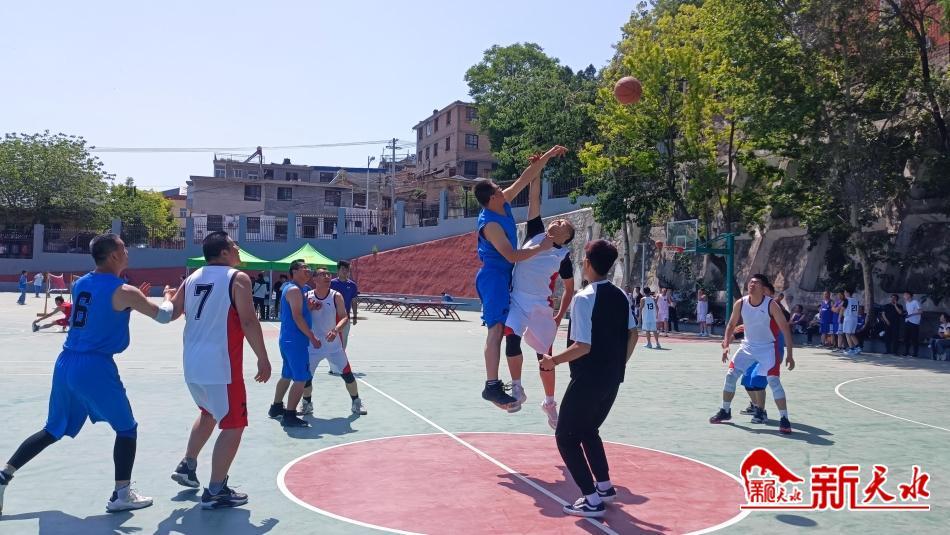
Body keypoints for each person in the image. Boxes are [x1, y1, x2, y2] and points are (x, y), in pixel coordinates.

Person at [0, 234, 175, 516]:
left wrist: (131, 302)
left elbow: (101, 312)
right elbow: (164, 316)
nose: (128, 252)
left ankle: (4, 474)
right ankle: (122, 494)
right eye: (124, 248)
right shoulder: (124, 290)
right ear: (114, 256)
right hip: (94, 366)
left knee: (52, 429)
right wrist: (168, 297)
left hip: (66, 361)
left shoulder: (81, 283)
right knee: (126, 428)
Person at [169, 231, 272, 509]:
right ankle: (216, 490)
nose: (238, 249)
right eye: (234, 245)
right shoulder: (237, 278)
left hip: (192, 364)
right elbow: (248, 321)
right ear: (224, 252)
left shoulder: (191, 278)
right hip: (221, 366)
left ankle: (188, 465)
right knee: (234, 424)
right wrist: (263, 357)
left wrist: (165, 297)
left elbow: (172, 312)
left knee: (209, 412)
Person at [539, 240, 637, 518]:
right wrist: (619, 364)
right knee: (588, 430)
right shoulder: (621, 295)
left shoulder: (584, 298)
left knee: (565, 437)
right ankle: (604, 487)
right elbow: (633, 334)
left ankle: (592, 499)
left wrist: (552, 361)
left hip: (588, 378)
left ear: (588, 263)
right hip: (612, 378)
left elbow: (583, 346)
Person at [473, 145, 564, 410]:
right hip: (493, 278)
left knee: (502, 329)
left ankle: (500, 387)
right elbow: (512, 256)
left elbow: (525, 178)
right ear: (492, 198)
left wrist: (546, 157)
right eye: (498, 189)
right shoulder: (490, 224)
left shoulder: (502, 203)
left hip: (504, 278)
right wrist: (541, 248)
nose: (503, 189)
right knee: (495, 330)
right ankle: (491, 386)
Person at [502, 167, 575, 425]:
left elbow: (570, 289)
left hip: (540, 308)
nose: (558, 222)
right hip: (517, 300)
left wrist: (559, 315)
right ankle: (517, 388)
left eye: (563, 225)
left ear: (566, 238)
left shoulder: (562, 256)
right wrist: (537, 169)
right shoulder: (536, 233)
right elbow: (534, 200)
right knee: (511, 339)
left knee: (545, 358)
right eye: (558, 220)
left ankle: (549, 402)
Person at [710, 274, 795, 434]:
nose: (752, 284)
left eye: (756, 283)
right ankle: (725, 410)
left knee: (773, 381)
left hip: (767, 349)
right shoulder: (741, 303)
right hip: (747, 347)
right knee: (731, 375)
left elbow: (785, 329)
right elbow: (731, 325)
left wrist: (790, 354)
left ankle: (784, 419)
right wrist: (726, 344)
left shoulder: (771, 305)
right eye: (750, 282)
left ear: (763, 289)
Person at [302, 267, 368, 416]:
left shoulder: (335, 296)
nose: (327, 276)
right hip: (313, 345)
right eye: (322, 274)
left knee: (347, 375)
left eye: (328, 274)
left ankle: (356, 402)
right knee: (306, 378)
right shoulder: (307, 296)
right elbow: (300, 317)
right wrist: (309, 308)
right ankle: (306, 404)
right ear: (314, 279)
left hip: (334, 346)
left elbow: (344, 317)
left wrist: (336, 330)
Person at [268, 260, 320, 427]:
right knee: (301, 379)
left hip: (288, 339)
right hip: (295, 341)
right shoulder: (294, 290)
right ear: (294, 271)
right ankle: (290, 415)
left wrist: (309, 308)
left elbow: (298, 312)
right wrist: (312, 337)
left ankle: (276, 408)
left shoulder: (299, 289)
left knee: (287, 375)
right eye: (304, 268)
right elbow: (297, 317)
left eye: (309, 268)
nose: (308, 270)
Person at [328, 261, 359, 375]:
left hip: (345, 318)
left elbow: (354, 301)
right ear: (338, 270)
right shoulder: (331, 283)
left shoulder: (352, 285)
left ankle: (339, 365)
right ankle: (333, 367)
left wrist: (355, 316)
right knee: (331, 342)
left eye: (347, 269)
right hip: (331, 317)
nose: (345, 271)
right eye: (343, 269)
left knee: (343, 343)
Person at [841, 289, 861, 355]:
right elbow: (858, 310)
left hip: (848, 317)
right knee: (852, 333)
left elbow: (842, 309)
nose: (844, 294)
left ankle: (851, 349)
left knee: (847, 333)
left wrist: (839, 317)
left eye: (845, 292)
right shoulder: (856, 300)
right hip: (855, 318)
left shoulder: (846, 300)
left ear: (848, 293)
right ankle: (858, 347)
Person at [903, 292, 922, 358]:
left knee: (914, 338)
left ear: (909, 295)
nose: (904, 296)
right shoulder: (907, 303)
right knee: (906, 338)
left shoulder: (915, 302)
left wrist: (911, 314)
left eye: (905, 295)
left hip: (914, 323)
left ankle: (915, 353)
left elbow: (920, 311)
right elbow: (908, 312)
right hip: (908, 321)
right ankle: (906, 352)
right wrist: (906, 315)